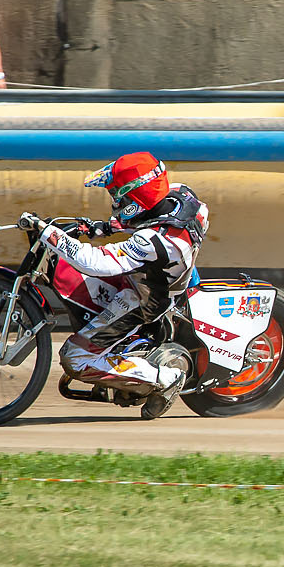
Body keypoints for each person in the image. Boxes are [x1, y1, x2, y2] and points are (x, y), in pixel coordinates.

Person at [24, 151, 207, 412]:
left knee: (74, 358)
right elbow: (147, 219)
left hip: (143, 299)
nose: (115, 200)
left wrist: (49, 234)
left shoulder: (153, 242)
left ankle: (165, 378)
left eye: (118, 194)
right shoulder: (181, 196)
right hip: (164, 275)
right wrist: (102, 227)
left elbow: (97, 262)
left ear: (138, 195)